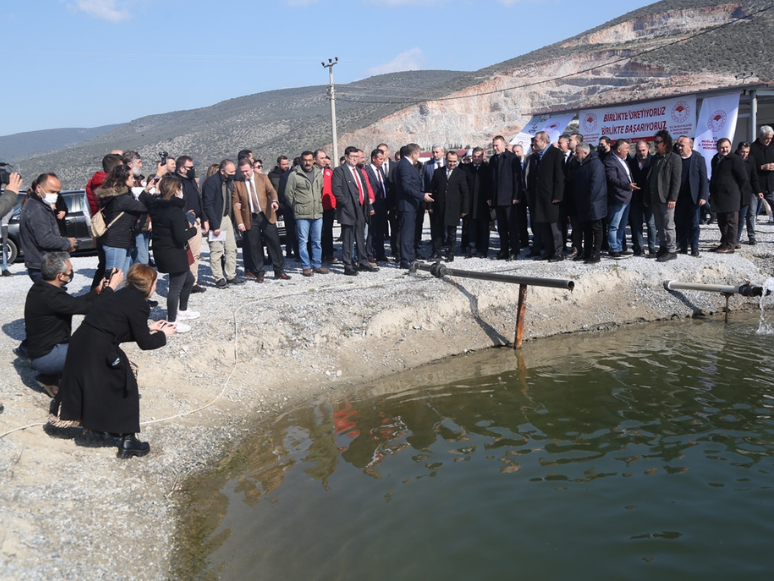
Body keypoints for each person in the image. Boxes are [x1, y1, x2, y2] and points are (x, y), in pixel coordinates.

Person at [52, 264, 175, 458]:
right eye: (155, 283)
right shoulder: (140, 304)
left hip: (81, 342)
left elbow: (114, 329)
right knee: (125, 384)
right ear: (149, 285)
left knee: (99, 385)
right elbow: (145, 343)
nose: (156, 287)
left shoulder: (122, 294)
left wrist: (149, 328)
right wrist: (163, 335)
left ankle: (100, 427)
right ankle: (128, 440)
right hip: (98, 348)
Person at [24, 252, 123, 394]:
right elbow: (89, 308)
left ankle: (49, 378)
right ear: (60, 276)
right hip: (46, 356)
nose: (71, 273)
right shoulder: (51, 297)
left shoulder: (42, 288)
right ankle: (89, 391)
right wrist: (111, 288)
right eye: (70, 271)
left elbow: (75, 303)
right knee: (98, 351)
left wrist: (98, 290)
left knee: (88, 340)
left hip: (44, 350)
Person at [149, 176, 198, 332]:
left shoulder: (156, 207)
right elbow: (180, 236)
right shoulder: (175, 211)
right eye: (181, 189)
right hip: (174, 252)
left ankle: (182, 310)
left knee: (189, 279)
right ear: (176, 190)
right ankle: (171, 321)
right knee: (175, 287)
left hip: (162, 250)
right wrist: (193, 229)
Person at [232, 158, 291, 282]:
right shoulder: (238, 184)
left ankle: (279, 270)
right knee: (254, 245)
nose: (244, 174)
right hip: (250, 217)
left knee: (274, 242)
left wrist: (274, 201)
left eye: (246, 171)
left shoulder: (263, 178)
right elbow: (235, 204)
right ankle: (259, 272)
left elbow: (272, 191)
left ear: (252, 168)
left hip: (266, 215)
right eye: (242, 172)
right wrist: (240, 222)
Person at [19, 173, 76, 282]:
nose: (55, 195)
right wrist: (67, 242)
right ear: (39, 188)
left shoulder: (37, 205)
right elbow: (45, 240)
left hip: (42, 263)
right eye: (52, 192)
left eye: (57, 192)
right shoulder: (37, 209)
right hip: (42, 265)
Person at [95, 164, 151, 275]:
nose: (134, 179)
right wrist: (157, 193)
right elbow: (143, 207)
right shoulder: (121, 198)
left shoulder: (121, 196)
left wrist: (146, 191)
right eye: (131, 177)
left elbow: (137, 204)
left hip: (122, 241)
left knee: (121, 277)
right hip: (116, 242)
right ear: (123, 179)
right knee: (114, 277)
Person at [332, 146, 379, 276]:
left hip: (361, 208)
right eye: (352, 157)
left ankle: (363, 262)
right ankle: (348, 264)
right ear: (346, 157)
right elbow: (336, 189)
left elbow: (363, 187)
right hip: (348, 209)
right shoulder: (340, 171)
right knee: (348, 238)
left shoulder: (358, 170)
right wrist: (346, 203)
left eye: (356, 157)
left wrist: (368, 199)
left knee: (360, 236)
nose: (354, 159)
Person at [202, 159, 244, 288]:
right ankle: (219, 278)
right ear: (222, 171)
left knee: (231, 248)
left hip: (226, 218)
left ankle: (231, 275)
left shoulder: (228, 181)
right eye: (230, 172)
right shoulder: (212, 182)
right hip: (217, 219)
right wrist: (215, 225)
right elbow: (207, 205)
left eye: (234, 171)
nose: (233, 174)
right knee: (216, 250)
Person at [285, 151, 328, 276]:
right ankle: (306, 266)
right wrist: (297, 206)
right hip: (302, 214)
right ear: (301, 160)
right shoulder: (294, 175)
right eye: (305, 160)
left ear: (314, 160)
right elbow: (288, 194)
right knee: (303, 241)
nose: (307, 162)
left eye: (309, 160)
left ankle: (317, 264)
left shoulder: (318, 173)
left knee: (317, 241)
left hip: (317, 213)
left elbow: (320, 189)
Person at [525, 131, 565, 261]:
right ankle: (548, 251)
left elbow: (560, 176)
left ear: (544, 141)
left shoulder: (556, 153)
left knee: (554, 227)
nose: (534, 143)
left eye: (536, 140)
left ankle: (558, 252)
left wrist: (558, 195)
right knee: (544, 226)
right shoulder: (537, 156)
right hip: (539, 197)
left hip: (552, 196)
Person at [646, 130, 682, 262]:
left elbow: (676, 180)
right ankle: (662, 247)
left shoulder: (674, 158)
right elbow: (649, 178)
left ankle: (671, 250)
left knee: (668, 225)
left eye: (658, 142)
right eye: (654, 142)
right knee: (659, 225)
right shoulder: (655, 158)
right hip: (655, 197)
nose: (655, 144)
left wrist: (673, 198)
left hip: (667, 198)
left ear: (665, 143)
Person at [395, 143, 433, 269]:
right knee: (406, 233)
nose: (419, 156)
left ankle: (411, 257)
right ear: (413, 154)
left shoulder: (407, 165)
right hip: (407, 205)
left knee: (410, 233)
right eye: (418, 153)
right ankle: (405, 260)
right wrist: (421, 196)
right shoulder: (405, 165)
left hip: (411, 204)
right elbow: (406, 186)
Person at [429, 151, 469, 261]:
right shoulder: (438, 172)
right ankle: (436, 252)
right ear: (446, 160)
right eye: (450, 161)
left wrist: (464, 209)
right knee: (438, 232)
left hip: (453, 208)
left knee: (452, 232)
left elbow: (465, 192)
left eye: (454, 161)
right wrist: (430, 206)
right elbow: (431, 190)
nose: (452, 163)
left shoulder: (460, 173)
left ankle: (451, 253)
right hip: (439, 207)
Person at [709, 138, 747, 253]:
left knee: (731, 222)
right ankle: (724, 243)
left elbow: (743, 178)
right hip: (718, 196)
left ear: (730, 147)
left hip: (731, 196)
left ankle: (731, 245)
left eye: (727, 147)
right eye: (722, 147)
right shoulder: (715, 159)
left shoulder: (735, 160)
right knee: (722, 222)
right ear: (717, 148)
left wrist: (733, 189)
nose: (724, 149)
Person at [176, 155, 208, 293]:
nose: (192, 170)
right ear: (182, 168)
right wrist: (185, 213)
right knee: (183, 253)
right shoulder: (176, 181)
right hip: (183, 221)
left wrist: (204, 218)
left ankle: (192, 282)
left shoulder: (191, 181)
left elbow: (198, 200)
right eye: (190, 168)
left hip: (196, 221)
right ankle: (183, 281)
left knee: (195, 253)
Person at [673, 136, 709, 257]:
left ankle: (694, 247)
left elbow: (704, 179)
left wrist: (703, 196)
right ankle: (683, 246)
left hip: (693, 197)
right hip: (679, 197)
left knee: (694, 224)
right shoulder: (675, 158)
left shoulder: (698, 159)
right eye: (678, 145)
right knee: (680, 223)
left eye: (682, 145)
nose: (679, 147)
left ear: (690, 147)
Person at [488, 136, 521, 260]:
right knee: (501, 227)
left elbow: (517, 180)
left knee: (511, 226)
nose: (495, 148)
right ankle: (503, 250)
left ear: (504, 145)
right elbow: (491, 180)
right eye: (493, 146)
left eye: (497, 145)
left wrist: (516, 196)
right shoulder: (493, 160)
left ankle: (514, 250)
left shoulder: (512, 158)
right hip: (497, 199)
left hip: (509, 198)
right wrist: (490, 197)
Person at [573, 143, 607, 264]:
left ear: (585, 153)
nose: (575, 155)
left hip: (594, 203)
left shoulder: (596, 164)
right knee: (586, 230)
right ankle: (587, 253)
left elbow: (595, 185)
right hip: (583, 203)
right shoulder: (581, 164)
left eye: (577, 153)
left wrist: (588, 200)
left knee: (597, 229)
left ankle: (596, 254)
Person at [604, 139, 638, 259]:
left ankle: (619, 247)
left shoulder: (624, 161)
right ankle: (613, 248)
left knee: (622, 225)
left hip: (627, 197)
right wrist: (627, 186)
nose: (628, 151)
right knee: (614, 225)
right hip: (617, 197)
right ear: (619, 149)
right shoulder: (610, 162)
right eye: (626, 149)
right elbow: (612, 179)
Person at [628, 140, 656, 257]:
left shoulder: (654, 161)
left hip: (649, 198)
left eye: (643, 150)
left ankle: (652, 247)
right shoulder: (631, 162)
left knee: (650, 224)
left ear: (648, 149)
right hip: (635, 198)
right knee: (636, 224)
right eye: (639, 151)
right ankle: (639, 247)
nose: (641, 153)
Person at [736, 141, 763, 246]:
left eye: (747, 152)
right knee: (735, 216)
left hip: (748, 191)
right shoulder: (734, 159)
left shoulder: (751, 160)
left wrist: (758, 191)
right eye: (743, 152)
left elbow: (754, 176)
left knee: (747, 215)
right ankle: (732, 237)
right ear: (738, 151)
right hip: (736, 191)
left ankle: (740, 238)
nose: (744, 154)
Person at [748, 125, 774, 221]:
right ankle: (751, 234)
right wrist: (762, 167)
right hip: (755, 185)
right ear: (760, 137)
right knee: (752, 212)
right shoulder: (752, 148)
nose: (769, 140)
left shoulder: (770, 148)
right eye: (767, 138)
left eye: (770, 138)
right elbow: (748, 166)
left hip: (769, 184)